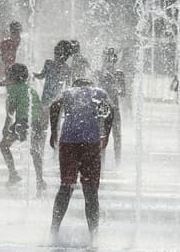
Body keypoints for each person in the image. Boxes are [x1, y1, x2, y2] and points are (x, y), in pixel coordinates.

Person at [49, 78, 113, 243]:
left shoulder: (67, 92)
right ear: (89, 85)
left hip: (68, 141)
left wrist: (53, 132)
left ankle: (53, 231)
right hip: (91, 142)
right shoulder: (98, 92)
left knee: (66, 186)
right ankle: (94, 236)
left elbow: (54, 106)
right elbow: (110, 109)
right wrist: (106, 133)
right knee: (91, 190)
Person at [0, 64, 44, 189]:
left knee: (4, 145)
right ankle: (40, 180)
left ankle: (13, 173)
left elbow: (10, 112)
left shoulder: (13, 89)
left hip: (22, 123)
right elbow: (40, 109)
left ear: (13, 76)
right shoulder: (32, 90)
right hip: (35, 123)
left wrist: (5, 127)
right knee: (35, 151)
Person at [96, 48, 124, 166]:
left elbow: (123, 92)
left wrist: (117, 87)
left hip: (115, 108)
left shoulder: (119, 74)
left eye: (112, 59)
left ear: (115, 60)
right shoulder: (100, 73)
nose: (109, 62)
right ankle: (101, 163)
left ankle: (118, 162)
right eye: (107, 59)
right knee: (102, 135)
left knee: (117, 135)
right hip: (102, 108)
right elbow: (96, 91)